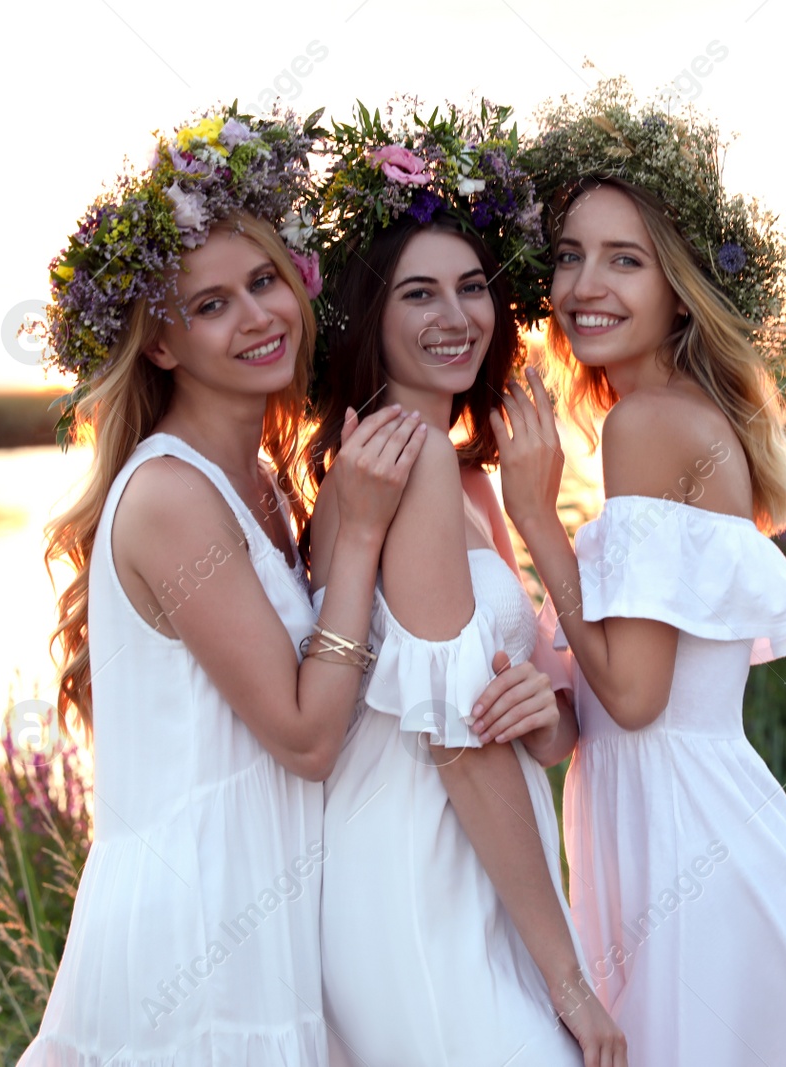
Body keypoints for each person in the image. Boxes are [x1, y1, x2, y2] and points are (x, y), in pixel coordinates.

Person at [22, 106, 427, 1065]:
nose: (256, 317)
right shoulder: (169, 495)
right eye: (211, 305)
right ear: (159, 345)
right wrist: (360, 531)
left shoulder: (260, 484)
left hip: (266, 909)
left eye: (263, 282)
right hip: (196, 934)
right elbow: (302, 735)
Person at [494, 81, 786, 1065]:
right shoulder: (671, 416)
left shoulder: (646, 425)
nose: (586, 285)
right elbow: (601, 711)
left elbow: (637, 690)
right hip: (679, 823)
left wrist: (536, 517)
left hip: (683, 847)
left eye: (626, 259)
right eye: (570, 256)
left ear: (678, 284)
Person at [302, 101, 626, 1067]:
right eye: (418, 295)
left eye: (473, 287)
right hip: (419, 877)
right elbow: (459, 747)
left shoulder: (462, 470)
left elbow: (538, 735)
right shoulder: (412, 467)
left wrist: (544, 706)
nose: (456, 318)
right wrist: (571, 982)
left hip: (486, 872)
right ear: (368, 314)